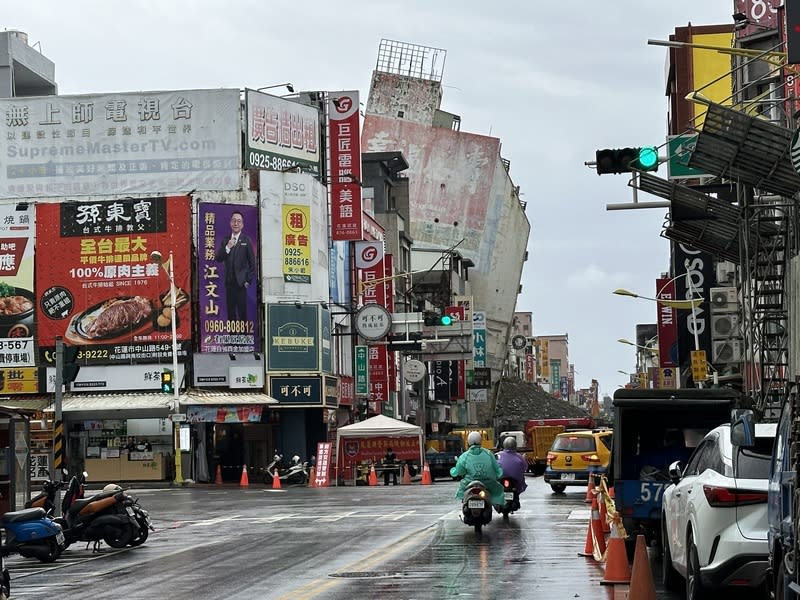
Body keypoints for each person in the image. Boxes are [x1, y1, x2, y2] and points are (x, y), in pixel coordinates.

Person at [214, 210, 256, 322]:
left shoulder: (246, 240)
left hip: (241, 284)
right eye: (234, 221)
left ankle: (244, 337)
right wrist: (227, 247)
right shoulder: (225, 240)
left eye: (238, 221)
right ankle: (233, 338)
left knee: (243, 313)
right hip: (229, 284)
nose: (236, 223)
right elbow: (218, 258)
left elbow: (253, 264)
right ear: (230, 223)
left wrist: (247, 281)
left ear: (242, 225)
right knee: (231, 313)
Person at [450, 431, 505, 506]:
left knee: (462, 490)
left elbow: (459, 471)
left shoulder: (464, 456)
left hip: (469, 483)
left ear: (468, 442)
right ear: (480, 441)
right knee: (498, 489)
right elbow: (497, 469)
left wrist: (453, 471)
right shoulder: (488, 454)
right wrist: (499, 474)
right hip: (488, 483)